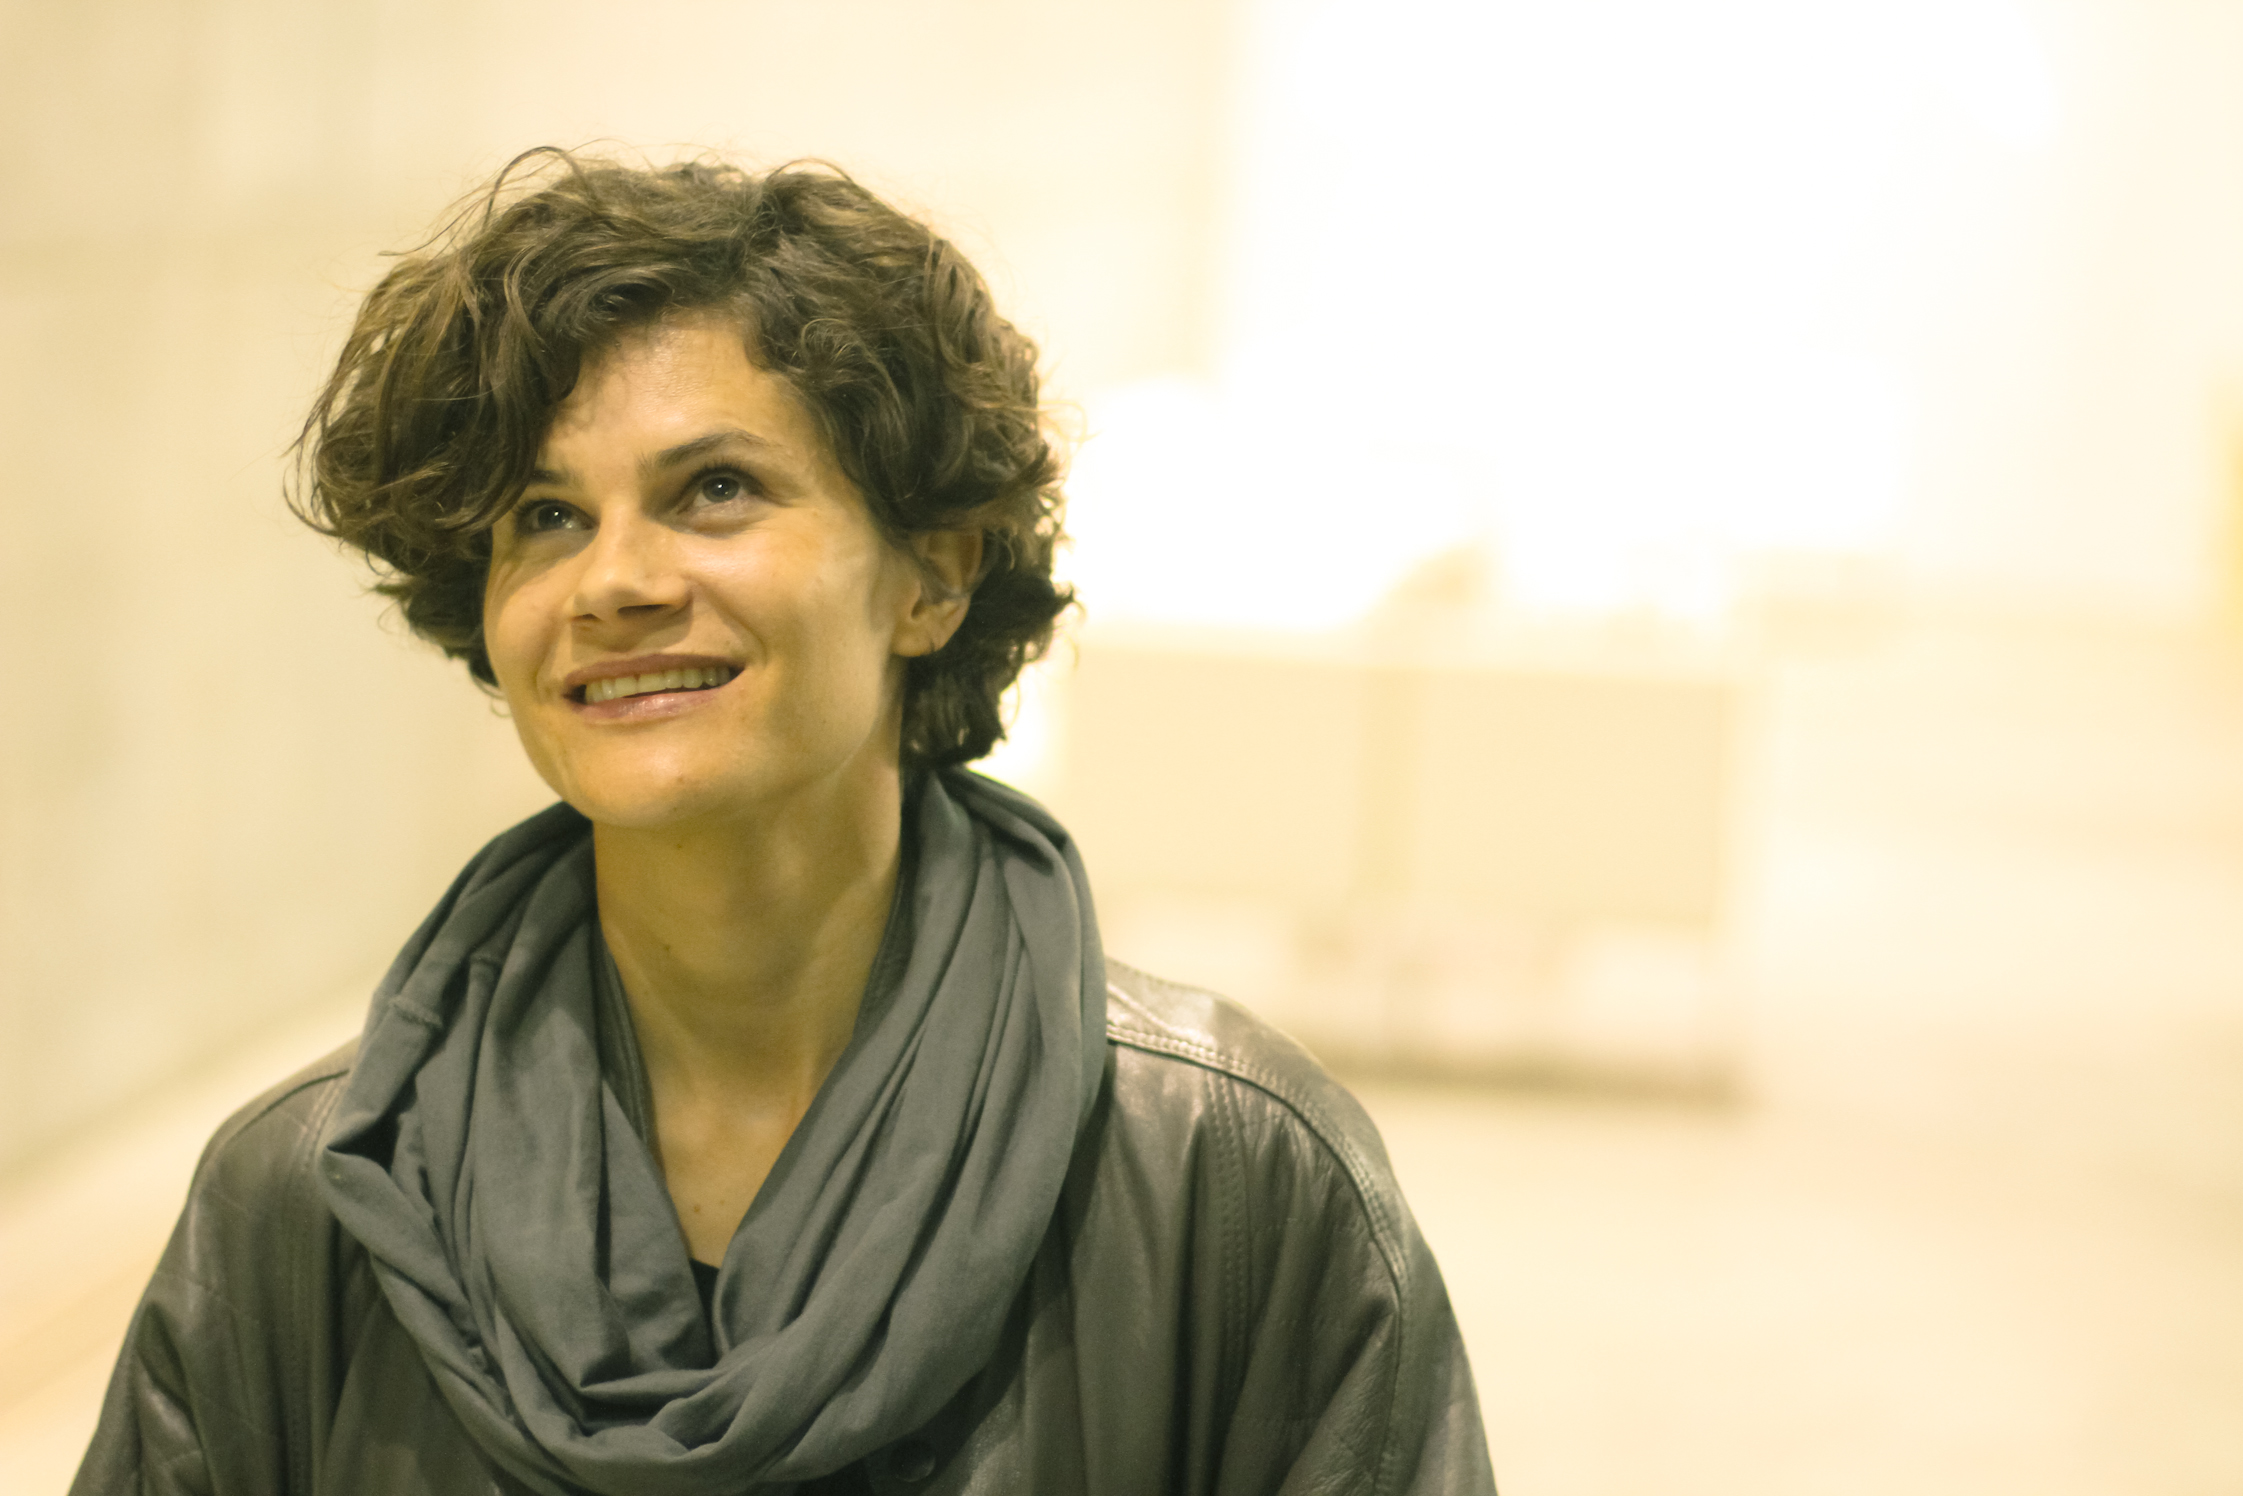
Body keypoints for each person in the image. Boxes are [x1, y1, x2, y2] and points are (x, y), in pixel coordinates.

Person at [70, 150, 1497, 1496]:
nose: (613, 581)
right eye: (545, 517)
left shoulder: (1224, 1175)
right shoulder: (316, 1196)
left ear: (931, 578)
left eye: (716, 491)